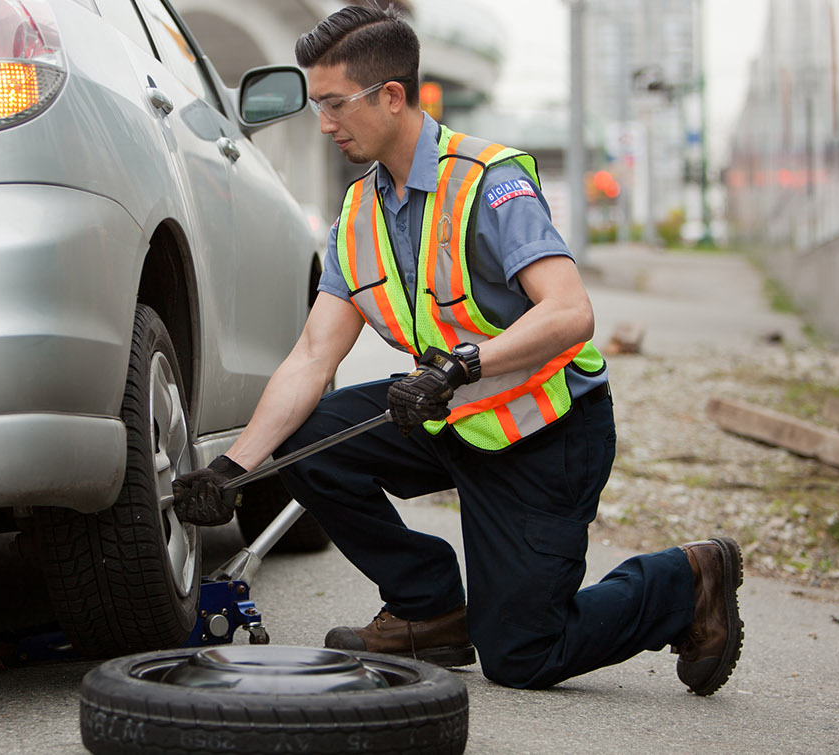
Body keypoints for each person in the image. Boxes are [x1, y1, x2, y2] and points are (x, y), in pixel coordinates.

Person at [171, 5, 744, 695]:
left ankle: (686, 579)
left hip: (546, 433)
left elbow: (571, 311)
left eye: (333, 104)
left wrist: (461, 363)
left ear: (390, 95)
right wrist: (234, 467)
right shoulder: (358, 213)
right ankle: (429, 604)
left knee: (524, 654)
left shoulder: (489, 180)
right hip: (451, 420)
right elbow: (311, 358)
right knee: (307, 439)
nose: (323, 123)